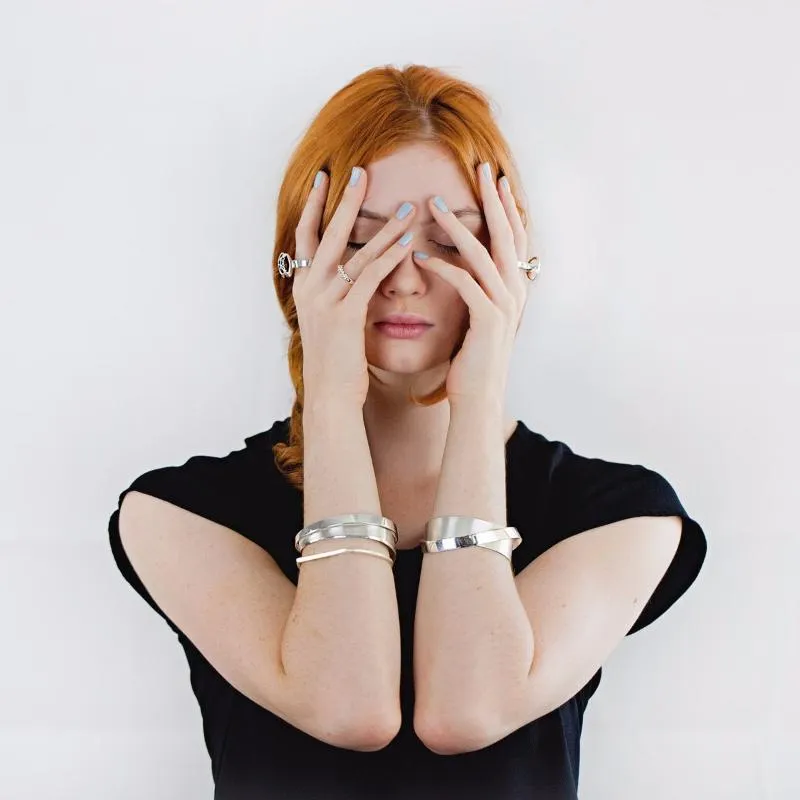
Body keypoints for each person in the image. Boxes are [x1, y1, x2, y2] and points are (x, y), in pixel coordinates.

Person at [107, 63, 707, 799]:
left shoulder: (619, 518)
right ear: (299, 262)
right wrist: (329, 397)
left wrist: (480, 396)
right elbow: (348, 705)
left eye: (453, 240)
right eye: (364, 243)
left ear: (510, 265)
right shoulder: (179, 516)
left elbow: (466, 711)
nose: (405, 277)